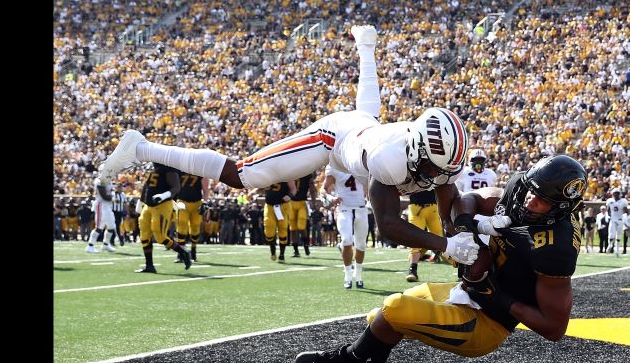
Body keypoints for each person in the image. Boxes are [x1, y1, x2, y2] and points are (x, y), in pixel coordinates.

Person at [98, 25, 479, 267]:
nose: (439, 174)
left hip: (364, 130)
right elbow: (391, 226)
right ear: (416, 152)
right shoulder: (390, 161)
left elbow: (447, 191)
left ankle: (366, 46)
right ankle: (142, 148)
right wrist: (446, 244)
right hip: (334, 138)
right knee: (243, 175)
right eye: (432, 167)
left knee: (368, 115)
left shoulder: (439, 158)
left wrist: (462, 229)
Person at [295, 155, 587, 363]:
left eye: (540, 200)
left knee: (394, 309)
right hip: (468, 291)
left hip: (488, 322)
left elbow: (554, 328)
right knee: (380, 321)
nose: (528, 201)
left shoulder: (554, 248)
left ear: (560, 209)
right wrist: (465, 225)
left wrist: (495, 294)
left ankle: (347, 359)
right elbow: (471, 197)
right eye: (529, 191)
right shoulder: (520, 192)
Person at [135, 163, 192, 273]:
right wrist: (141, 201)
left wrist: (163, 195)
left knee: (160, 236)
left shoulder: (169, 169)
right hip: (148, 205)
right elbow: (147, 186)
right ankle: (149, 265)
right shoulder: (154, 169)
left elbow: (176, 187)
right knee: (144, 235)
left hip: (162, 205)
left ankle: (183, 253)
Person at [323, 165, 368, 289]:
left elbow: (369, 185)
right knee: (346, 240)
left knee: (361, 244)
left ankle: (358, 274)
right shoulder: (334, 166)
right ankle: (347, 275)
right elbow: (324, 189)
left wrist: (369, 198)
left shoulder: (361, 164)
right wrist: (331, 197)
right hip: (344, 208)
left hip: (361, 208)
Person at [404, 190, 444, 282]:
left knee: (440, 240)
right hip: (416, 208)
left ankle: (459, 266)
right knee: (415, 240)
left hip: (433, 208)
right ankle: (412, 270)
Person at [174, 173, 209, 262]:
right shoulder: (179, 169)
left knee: (195, 227)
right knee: (181, 225)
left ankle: (193, 251)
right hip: (182, 201)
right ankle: (181, 253)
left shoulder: (201, 171)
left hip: (196, 203)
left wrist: (205, 202)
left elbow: (205, 190)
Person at [263, 181, 297, 263]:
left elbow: (293, 189)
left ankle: (282, 254)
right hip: (269, 205)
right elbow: (259, 184)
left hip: (283, 205)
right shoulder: (266, 172)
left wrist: (290, 196)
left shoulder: (286, 173)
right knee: (269, 227)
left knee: (283, 229)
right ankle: (272, 249)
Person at [85, 178, 117, 253]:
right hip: (101, 206)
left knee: (111, 226)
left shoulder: (109, 180)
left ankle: (105, 244)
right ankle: (90, 246)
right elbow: (104, 196)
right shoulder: (99, 180)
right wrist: (112, 198)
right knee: (99, 227)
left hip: (108, 206)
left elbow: (112, 190)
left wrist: (112, 194)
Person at [290, 173, 318, 257]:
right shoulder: (289, 171)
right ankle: (295, 250)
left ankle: (306, 245)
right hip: (291, 202)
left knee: (301, 226)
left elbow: (312, 189)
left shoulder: (307, 173)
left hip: (302, 202)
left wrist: (313, 202)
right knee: (292, 228)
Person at [605, 188, 628, 257]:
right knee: (611, 234)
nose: (616, 195)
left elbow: (626, 211)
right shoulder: (610, 201)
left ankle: (617, 250)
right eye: (615, 193)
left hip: (620, 219)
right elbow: (608, 210)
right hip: (613, 219)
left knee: (618, 236)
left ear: (619, 194)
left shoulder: (623, 201)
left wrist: (624, 209)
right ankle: (610, 245)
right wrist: (608, 216)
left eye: (617, 193)